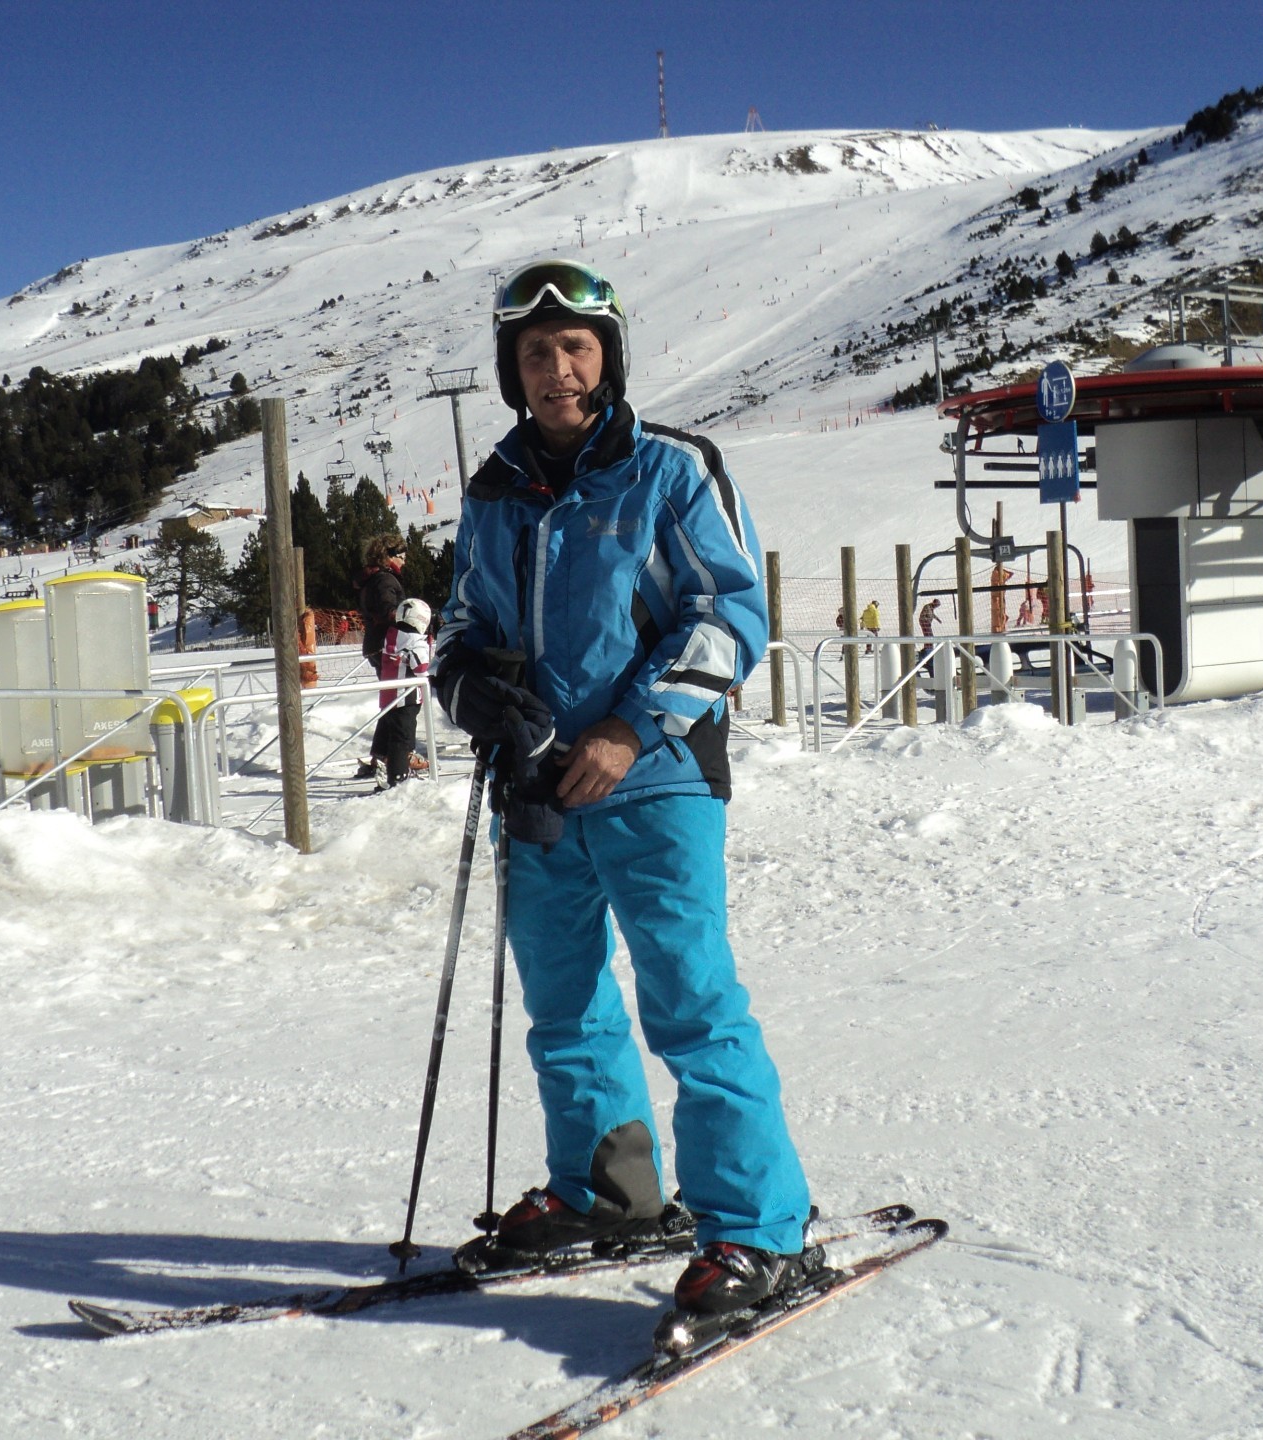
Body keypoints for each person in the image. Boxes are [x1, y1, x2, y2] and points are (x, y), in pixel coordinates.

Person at [433, 258, 817, 1338]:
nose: (557, 370)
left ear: (608, 356)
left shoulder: (669, 470)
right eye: (535, 353)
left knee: (691, 1006)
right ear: (512, 370)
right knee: (565, 1006)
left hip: (652, 780)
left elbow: (730, 615)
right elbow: (463, 622)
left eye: (576, 348)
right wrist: (471, 688)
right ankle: (612, 1192)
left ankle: (759, 1230)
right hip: (538, 787)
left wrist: (630, 725)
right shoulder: (494, 490)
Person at [356, 534, 408, 780]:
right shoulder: (385, 580)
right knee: (401, 702)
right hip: (387, 644)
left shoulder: (375, 578)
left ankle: (380, 754)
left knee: (392, 700)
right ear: (387, 556)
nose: (405, 560)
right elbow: (390, 611)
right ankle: (396, 758)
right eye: (400, 555)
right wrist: (416, 617)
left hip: (377, 643)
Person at [374, 597, 432, 787]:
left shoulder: (392, 635)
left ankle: (380, 761)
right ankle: (398, 778)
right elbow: (421, 668)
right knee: (402, 738)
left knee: (385, 729)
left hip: (388, 695)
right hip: (407, 698)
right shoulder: (416, 641)